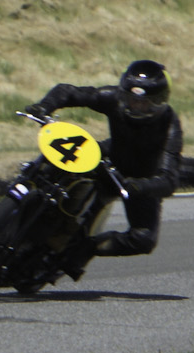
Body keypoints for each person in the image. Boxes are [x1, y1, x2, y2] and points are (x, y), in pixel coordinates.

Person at [24, 59, 182, 259]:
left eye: (146, 102)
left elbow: (169, 180)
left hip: (138, 180)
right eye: (132, 99)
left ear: (160, 101)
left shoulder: (170, 125)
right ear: (123, 94)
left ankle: (83, 249)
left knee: (143, 239)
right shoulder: (112, 97)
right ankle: (21, 192)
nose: (137, 106)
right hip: (110, 155)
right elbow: (68, 91)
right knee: (59, 158)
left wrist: (139, 186)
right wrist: (44, 106)